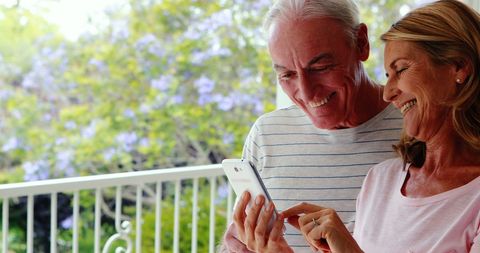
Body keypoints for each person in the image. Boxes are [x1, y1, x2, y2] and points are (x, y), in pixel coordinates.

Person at [281, 0, 480, 252]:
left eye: (401, 69)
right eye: (387, 75)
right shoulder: (380, 180)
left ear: (459, 67)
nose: (388, 93)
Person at [220, 0, 403, 252]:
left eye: (321, 68)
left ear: (361, 42)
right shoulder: (267, 134)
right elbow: (238, 238)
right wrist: (235, 245)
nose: (306, 93)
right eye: (287, 75)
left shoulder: (421, 129)